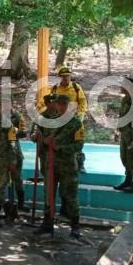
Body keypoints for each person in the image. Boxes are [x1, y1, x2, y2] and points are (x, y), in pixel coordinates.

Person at [35, 94, 83, 238]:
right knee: (48, 195)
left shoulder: (76, 123)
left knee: (70, 195)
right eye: (59, 104)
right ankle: (47, 224)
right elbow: (42, 138)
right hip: (50, 164)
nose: (61, 107)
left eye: (64, 104)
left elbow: (79, 145)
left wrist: (60, 148)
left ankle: (75, 226)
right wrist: (43, 141)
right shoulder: (50, 121)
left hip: (67, 166)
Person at [40, 66, 87, 172]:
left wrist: (79, 113)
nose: (66, 78)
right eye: (63, 76)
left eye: (68, 76)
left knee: (75, 140)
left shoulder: (76, 87)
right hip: (59, 119)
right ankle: (57, 163)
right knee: (59, 140)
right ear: (60, 77)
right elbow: (50, 102)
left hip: (73, 119)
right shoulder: (55, 88)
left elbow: (83, 102)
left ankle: (80, 164)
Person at [113, 76, 133, 193]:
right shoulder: (126, 99)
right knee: (125, 158)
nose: (121, 87)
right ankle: (128, 180)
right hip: (125, 134)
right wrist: (118, 130)